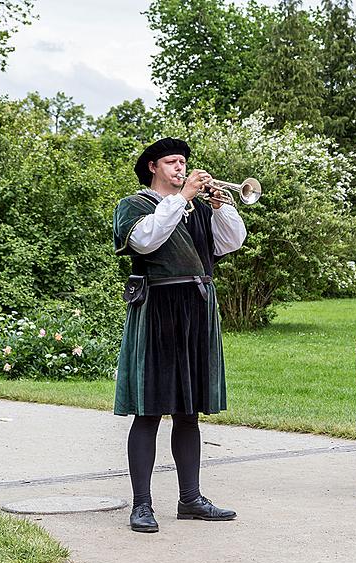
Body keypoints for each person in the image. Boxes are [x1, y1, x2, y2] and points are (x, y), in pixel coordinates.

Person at [112, 137, 247, 532]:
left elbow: (232, 241)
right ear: (153, 166)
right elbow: (144, 240)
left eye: (183, 162)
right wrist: (182, 198)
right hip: (158, 308)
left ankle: (190, 498)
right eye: (172, 162)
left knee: (189, 412)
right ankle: (142, 505)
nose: (180, 168)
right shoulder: (134, 205)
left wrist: (221, 206)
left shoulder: (197, 209)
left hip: (197, 308)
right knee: (149, 410)